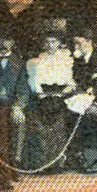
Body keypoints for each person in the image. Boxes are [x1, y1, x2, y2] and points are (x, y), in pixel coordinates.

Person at [23, 33, 77, 167]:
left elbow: (72, 82)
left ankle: (58, 163)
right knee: (42, 130)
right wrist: (41, 94)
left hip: (61, 95)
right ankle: (44, 163)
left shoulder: (67, 59)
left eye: (53, 41)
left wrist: (61, 94)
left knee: (59, 129)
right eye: (47, 42)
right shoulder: (37, 61)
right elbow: (33, 80)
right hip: (43, 96)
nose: (50, 45)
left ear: (59, 43)